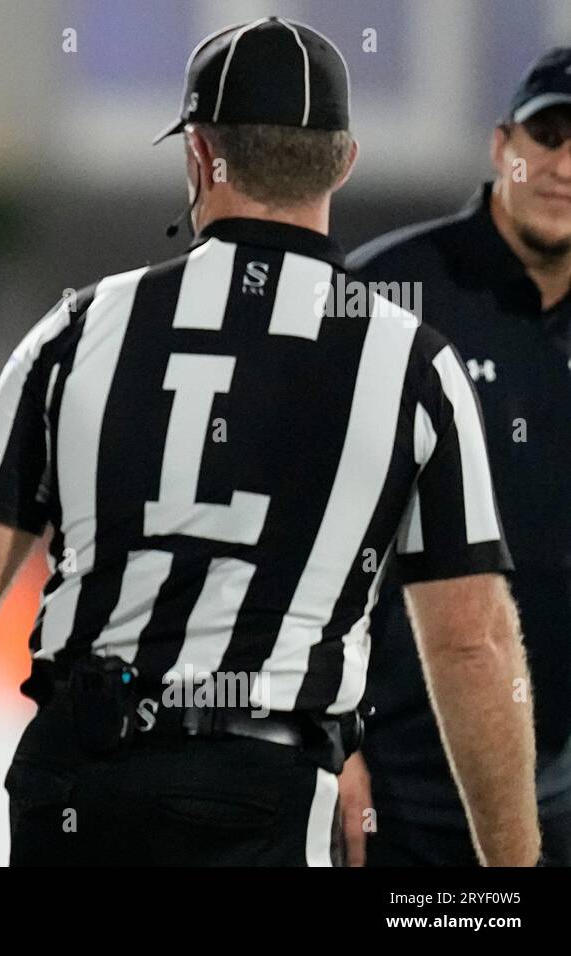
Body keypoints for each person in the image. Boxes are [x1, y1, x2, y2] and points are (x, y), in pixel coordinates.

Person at [0, 17, 542, 867]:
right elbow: (471, 639)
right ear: (343, 161)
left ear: (199, 156)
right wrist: (510, 875)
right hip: (261, 781)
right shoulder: (409, 362)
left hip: (80, 781)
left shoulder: (82, 328)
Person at [342, 47, 571, 867]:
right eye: (548, 135)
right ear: (501, 143)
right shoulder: (385, 296)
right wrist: (332, 747)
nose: (563, 167)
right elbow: (291, 531)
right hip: (404, 773)